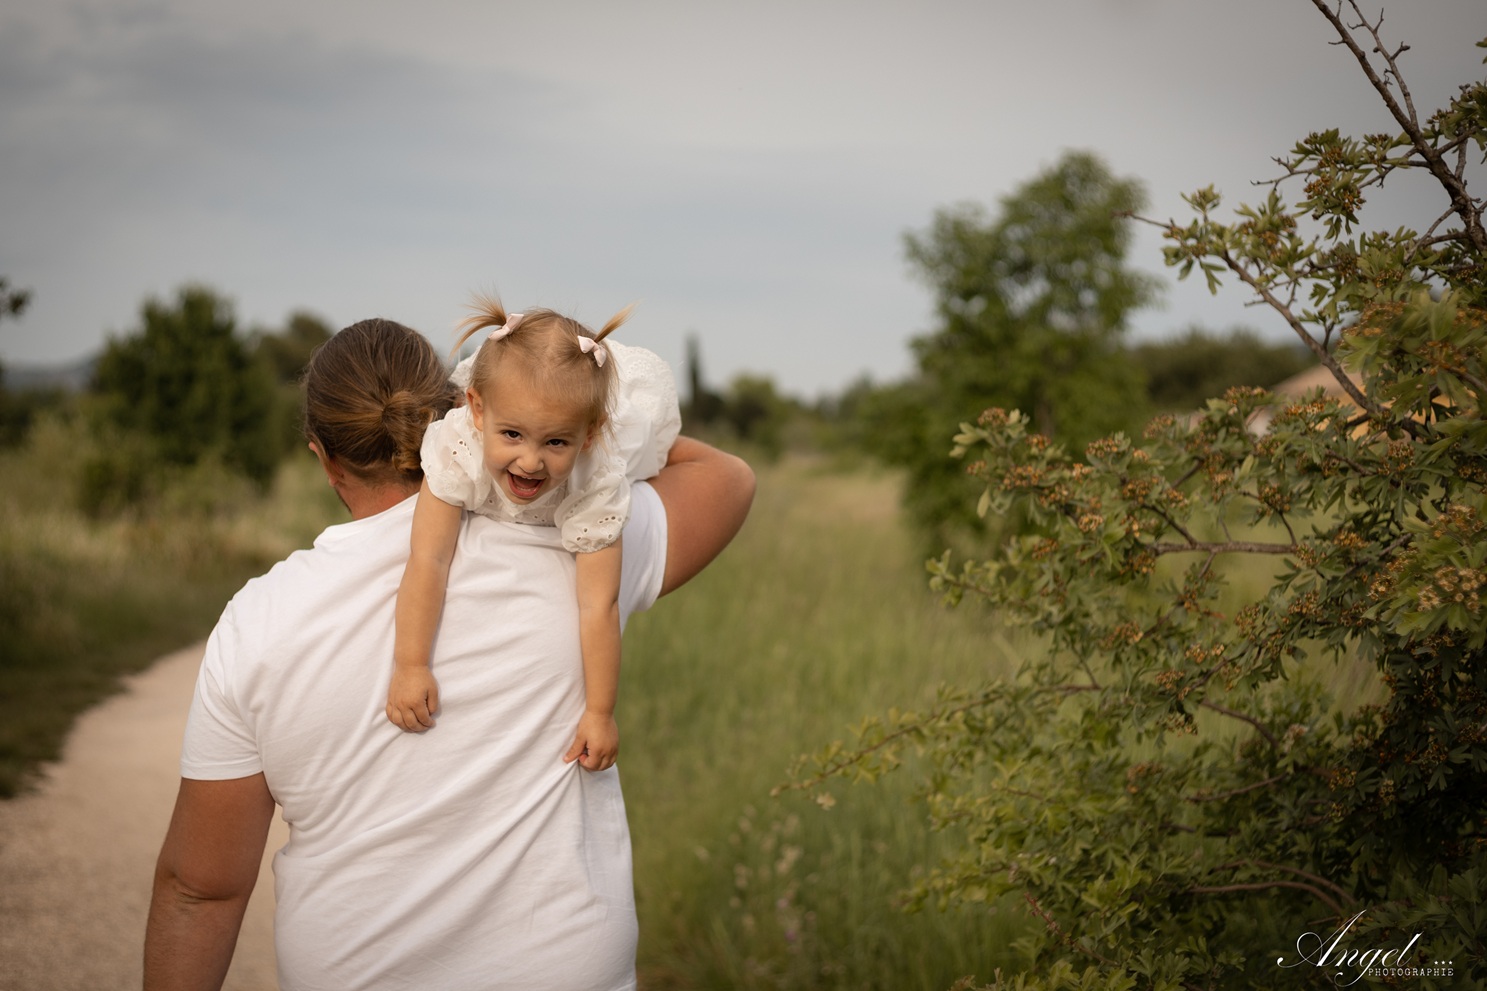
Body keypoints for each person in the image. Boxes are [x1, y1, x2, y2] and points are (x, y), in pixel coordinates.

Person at [143, 318, 754, 991]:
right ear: (462, 407)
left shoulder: (256, 621)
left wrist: (521, 398)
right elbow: (725, 476)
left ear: (324, 457)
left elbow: (201, 891)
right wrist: (577, 407)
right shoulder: (576, 530)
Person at [386, 297, 681, 782]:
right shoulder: (460, 445)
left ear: (587, 437)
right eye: (513, 435)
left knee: (649, 458)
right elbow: (428, 560)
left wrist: (600, 712)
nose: (530, 462)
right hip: (509, 421)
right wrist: (411, 664)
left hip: (610, 444)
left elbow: (597, 605)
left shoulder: (595, 477)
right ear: (477, 410)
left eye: (555, 442)